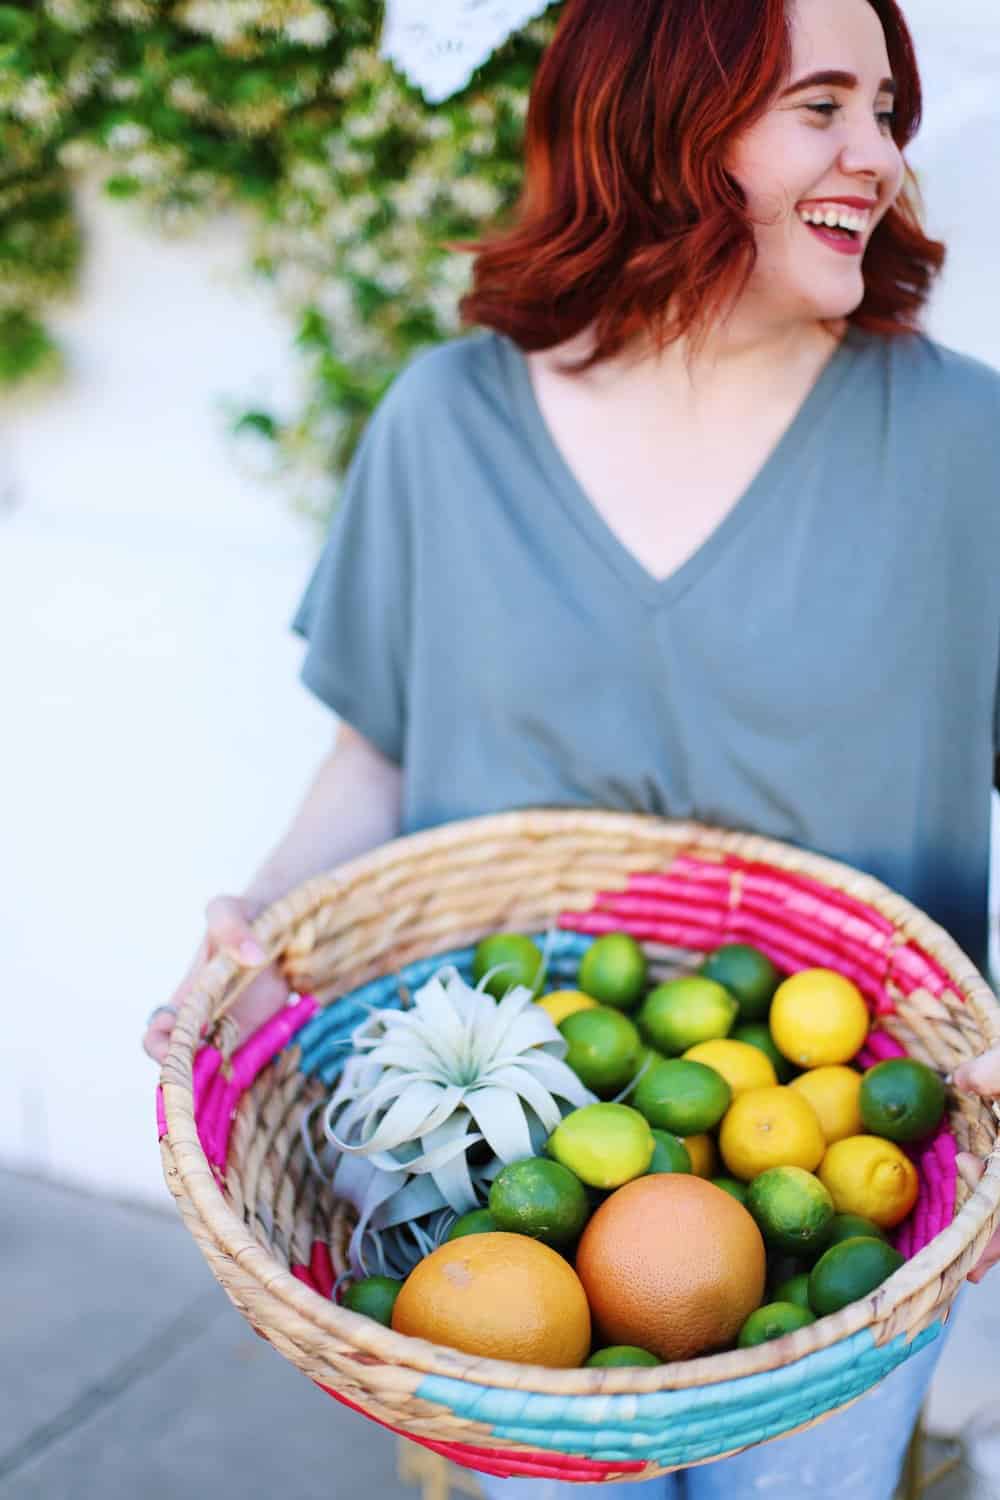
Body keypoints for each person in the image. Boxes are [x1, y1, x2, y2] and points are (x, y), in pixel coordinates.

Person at [144, 0, 1000, 1491]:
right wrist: (256, 923)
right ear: (664, 123)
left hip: (849, 1218)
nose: (880, 152)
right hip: (494, 1213)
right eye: (823, 106)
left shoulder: (962, 449)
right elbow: (380, 756)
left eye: (885, 107)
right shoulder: (446, 423)